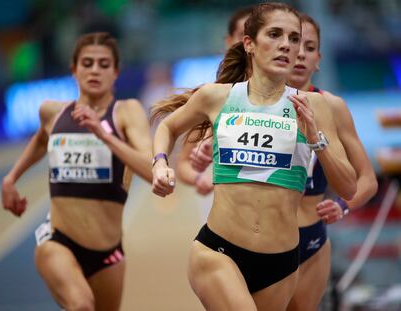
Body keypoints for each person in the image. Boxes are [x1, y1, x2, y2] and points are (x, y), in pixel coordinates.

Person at [151, 3, 357, 310]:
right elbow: (167, 125)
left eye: (293, 38)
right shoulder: (218, 96)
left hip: (282, 263)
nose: (286, 45)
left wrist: (316, 139)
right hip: (219, 251)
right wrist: (160, 163)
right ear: (249, 43)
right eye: (274, 35)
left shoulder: (316, 106)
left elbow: (349, 188)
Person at [1, 32, 152, 311]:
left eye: (104, 64)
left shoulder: (126, 113)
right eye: (87, 63)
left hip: (109, 252)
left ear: (116, 71)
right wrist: (11, 179)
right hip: (57, 240)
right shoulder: (52, 113)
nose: (95, 70)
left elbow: (152, 171)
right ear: (74, 69)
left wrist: (104, 134)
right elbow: (40, 141)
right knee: (81, 305)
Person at [282, 14, 378, 311]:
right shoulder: (250, 102)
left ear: (318, 59)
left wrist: (342, 205)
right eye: (295, 45)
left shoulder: (333, 106)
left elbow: (368, 180)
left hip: (312, 240)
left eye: (309, 48)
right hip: (262, 239)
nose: (300, 55)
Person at [176, 6, 253, 198]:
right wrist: (199, 178)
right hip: (224, 212)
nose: (250, 43)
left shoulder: (291, 96)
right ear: (228, 41)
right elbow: (183, 163)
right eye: (243, 35)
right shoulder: (212, 96)